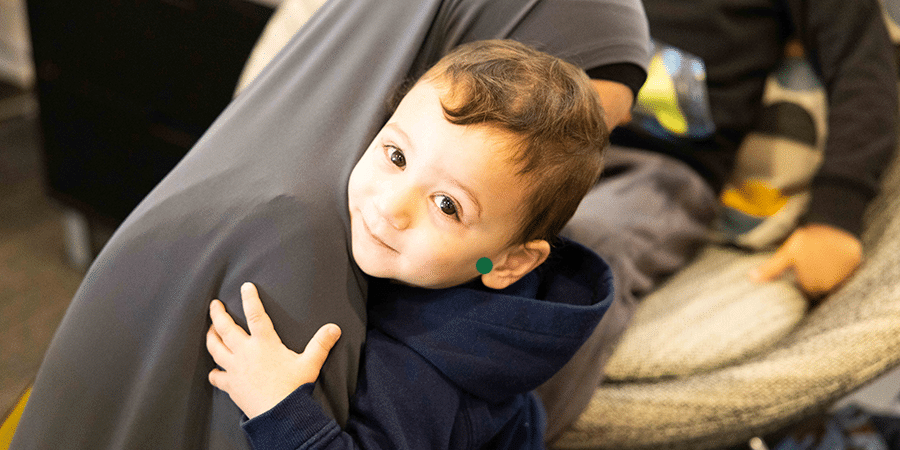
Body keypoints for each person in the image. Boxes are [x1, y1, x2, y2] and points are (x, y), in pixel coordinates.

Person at [205, 40, 614, 449]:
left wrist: (277, 405)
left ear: (508, 263)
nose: (390, 206)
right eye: (397, 156)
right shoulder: (432, 265)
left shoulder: (424, 379)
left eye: (447, 205)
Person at [535, 0, 899, 443]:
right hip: (530, 136)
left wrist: (836, 215)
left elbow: (866, 70)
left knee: (581, 255)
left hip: (656, 169)